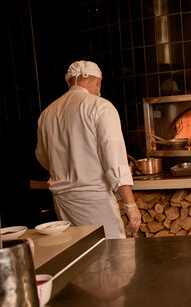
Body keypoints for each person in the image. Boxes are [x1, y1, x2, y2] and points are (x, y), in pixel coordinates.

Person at [35, 60, 140, 238]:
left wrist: (68, 169)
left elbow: (43, 157)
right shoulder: (101, 107)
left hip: (62, 201)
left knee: (82, 257)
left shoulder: (47, 113)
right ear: (99, 81)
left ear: (68, 82)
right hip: (94, 200)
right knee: (115, 257)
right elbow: (114, 160)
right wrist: (130, 205)